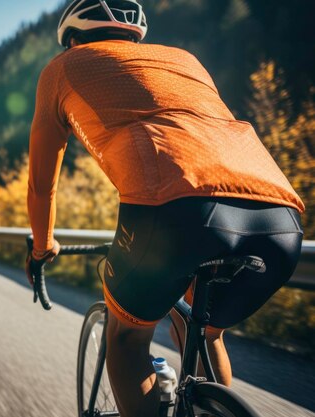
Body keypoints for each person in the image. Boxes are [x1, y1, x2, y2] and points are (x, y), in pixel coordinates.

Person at [24, 1, 304, 416]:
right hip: (280, 217)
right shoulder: (183, 60)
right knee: (205, 331)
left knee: (125, 340)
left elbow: (41, 185)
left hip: (174, 209)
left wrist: (42, 248)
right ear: (135, 36)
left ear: (72, 39)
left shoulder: (63, 68)